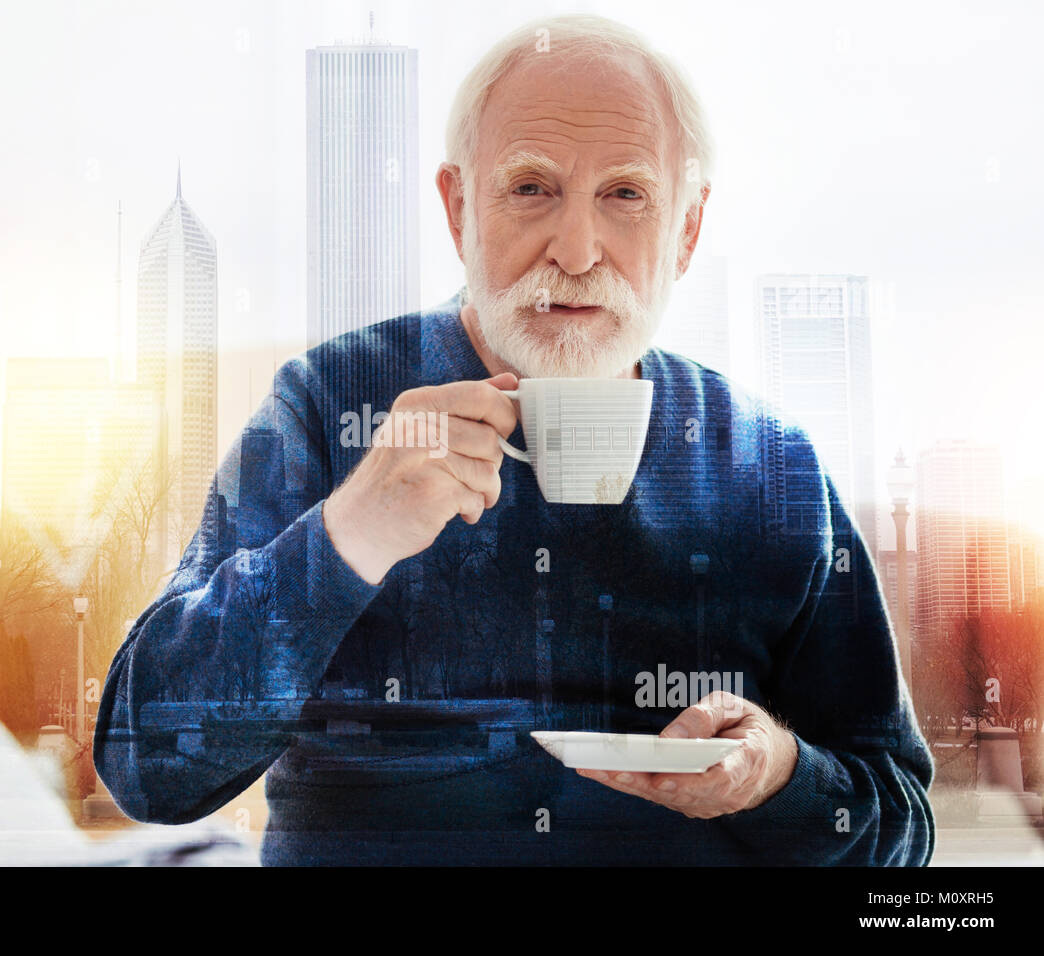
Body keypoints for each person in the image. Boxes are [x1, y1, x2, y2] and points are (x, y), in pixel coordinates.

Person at [94, 13, 934, 865]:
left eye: (626, 194)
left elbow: (903, 824)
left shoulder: (770, 464)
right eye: (531, 187)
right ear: (459, 208)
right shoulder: (328, 405)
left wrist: (776, 775)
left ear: (686, 231)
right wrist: (348, 537)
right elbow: (146, 767)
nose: (574, 250)